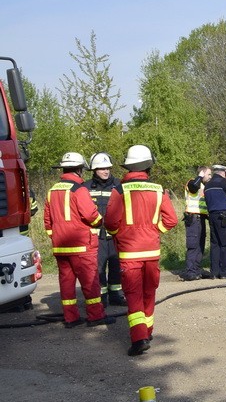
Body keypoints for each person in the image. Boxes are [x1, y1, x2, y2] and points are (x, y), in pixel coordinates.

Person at [105, 145, 178, 356]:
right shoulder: (159, 189)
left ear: (128, 167)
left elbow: (110, 222)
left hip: (129, 253)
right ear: (148, 167)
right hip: (152, 252)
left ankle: (139, 338)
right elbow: (171, 220)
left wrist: (119, 234)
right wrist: (156, 231)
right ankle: (148, 331)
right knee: (149, 292)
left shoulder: (119, 190)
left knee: (133, 294)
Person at [43, 152, 115, 329]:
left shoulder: (52, 190)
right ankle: (95, 316)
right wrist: (100, 221)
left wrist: (56, 236)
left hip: (61, 246)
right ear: (80, 169)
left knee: (66, 283)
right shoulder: (79, 189)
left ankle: (71, 318)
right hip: (82, 246)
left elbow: (47, 220)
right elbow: (91, 215)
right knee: (90, 282)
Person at [85, 153, 127, 306]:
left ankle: (116, 295)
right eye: (101, 168)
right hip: (96, 237)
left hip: (116, 235)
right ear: (94, 170)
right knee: (98, 267)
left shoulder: (119, 185)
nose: (105, 171)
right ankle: (101, 298)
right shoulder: (86, 187)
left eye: (108, 168)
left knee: (116, 266)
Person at [182, 165, 212, 281]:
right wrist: (199, 177)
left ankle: (197, 269)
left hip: (201, 218)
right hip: (193, 217)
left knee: (200, 244)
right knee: (193, 244)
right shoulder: (192, 182)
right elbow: (194, 188)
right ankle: (190, 271)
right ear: (202, 174)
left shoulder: (204, 186)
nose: (210, 177)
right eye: (208, 174)